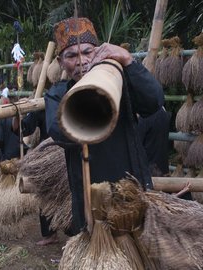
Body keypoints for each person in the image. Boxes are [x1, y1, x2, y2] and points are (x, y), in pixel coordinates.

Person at [45, 17, 164, 233]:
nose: (81, 61)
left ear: (99, 51)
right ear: (61, 62)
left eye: (88, 52)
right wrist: (82, 104)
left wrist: (128, 61)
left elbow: (153, 103)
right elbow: (57, 132)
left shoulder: (120, 79)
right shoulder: (57, 94)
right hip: (89, 191)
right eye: (71, 56)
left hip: (131, 182)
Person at [13, 110, 58, 245]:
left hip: (67, 151)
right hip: (50, 155)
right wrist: (17, 113)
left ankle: (74, 233)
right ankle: (50, 234)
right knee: (45, 195)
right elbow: (23, 129)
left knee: (69, 195)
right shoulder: (41, 106)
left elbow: (22, 129)